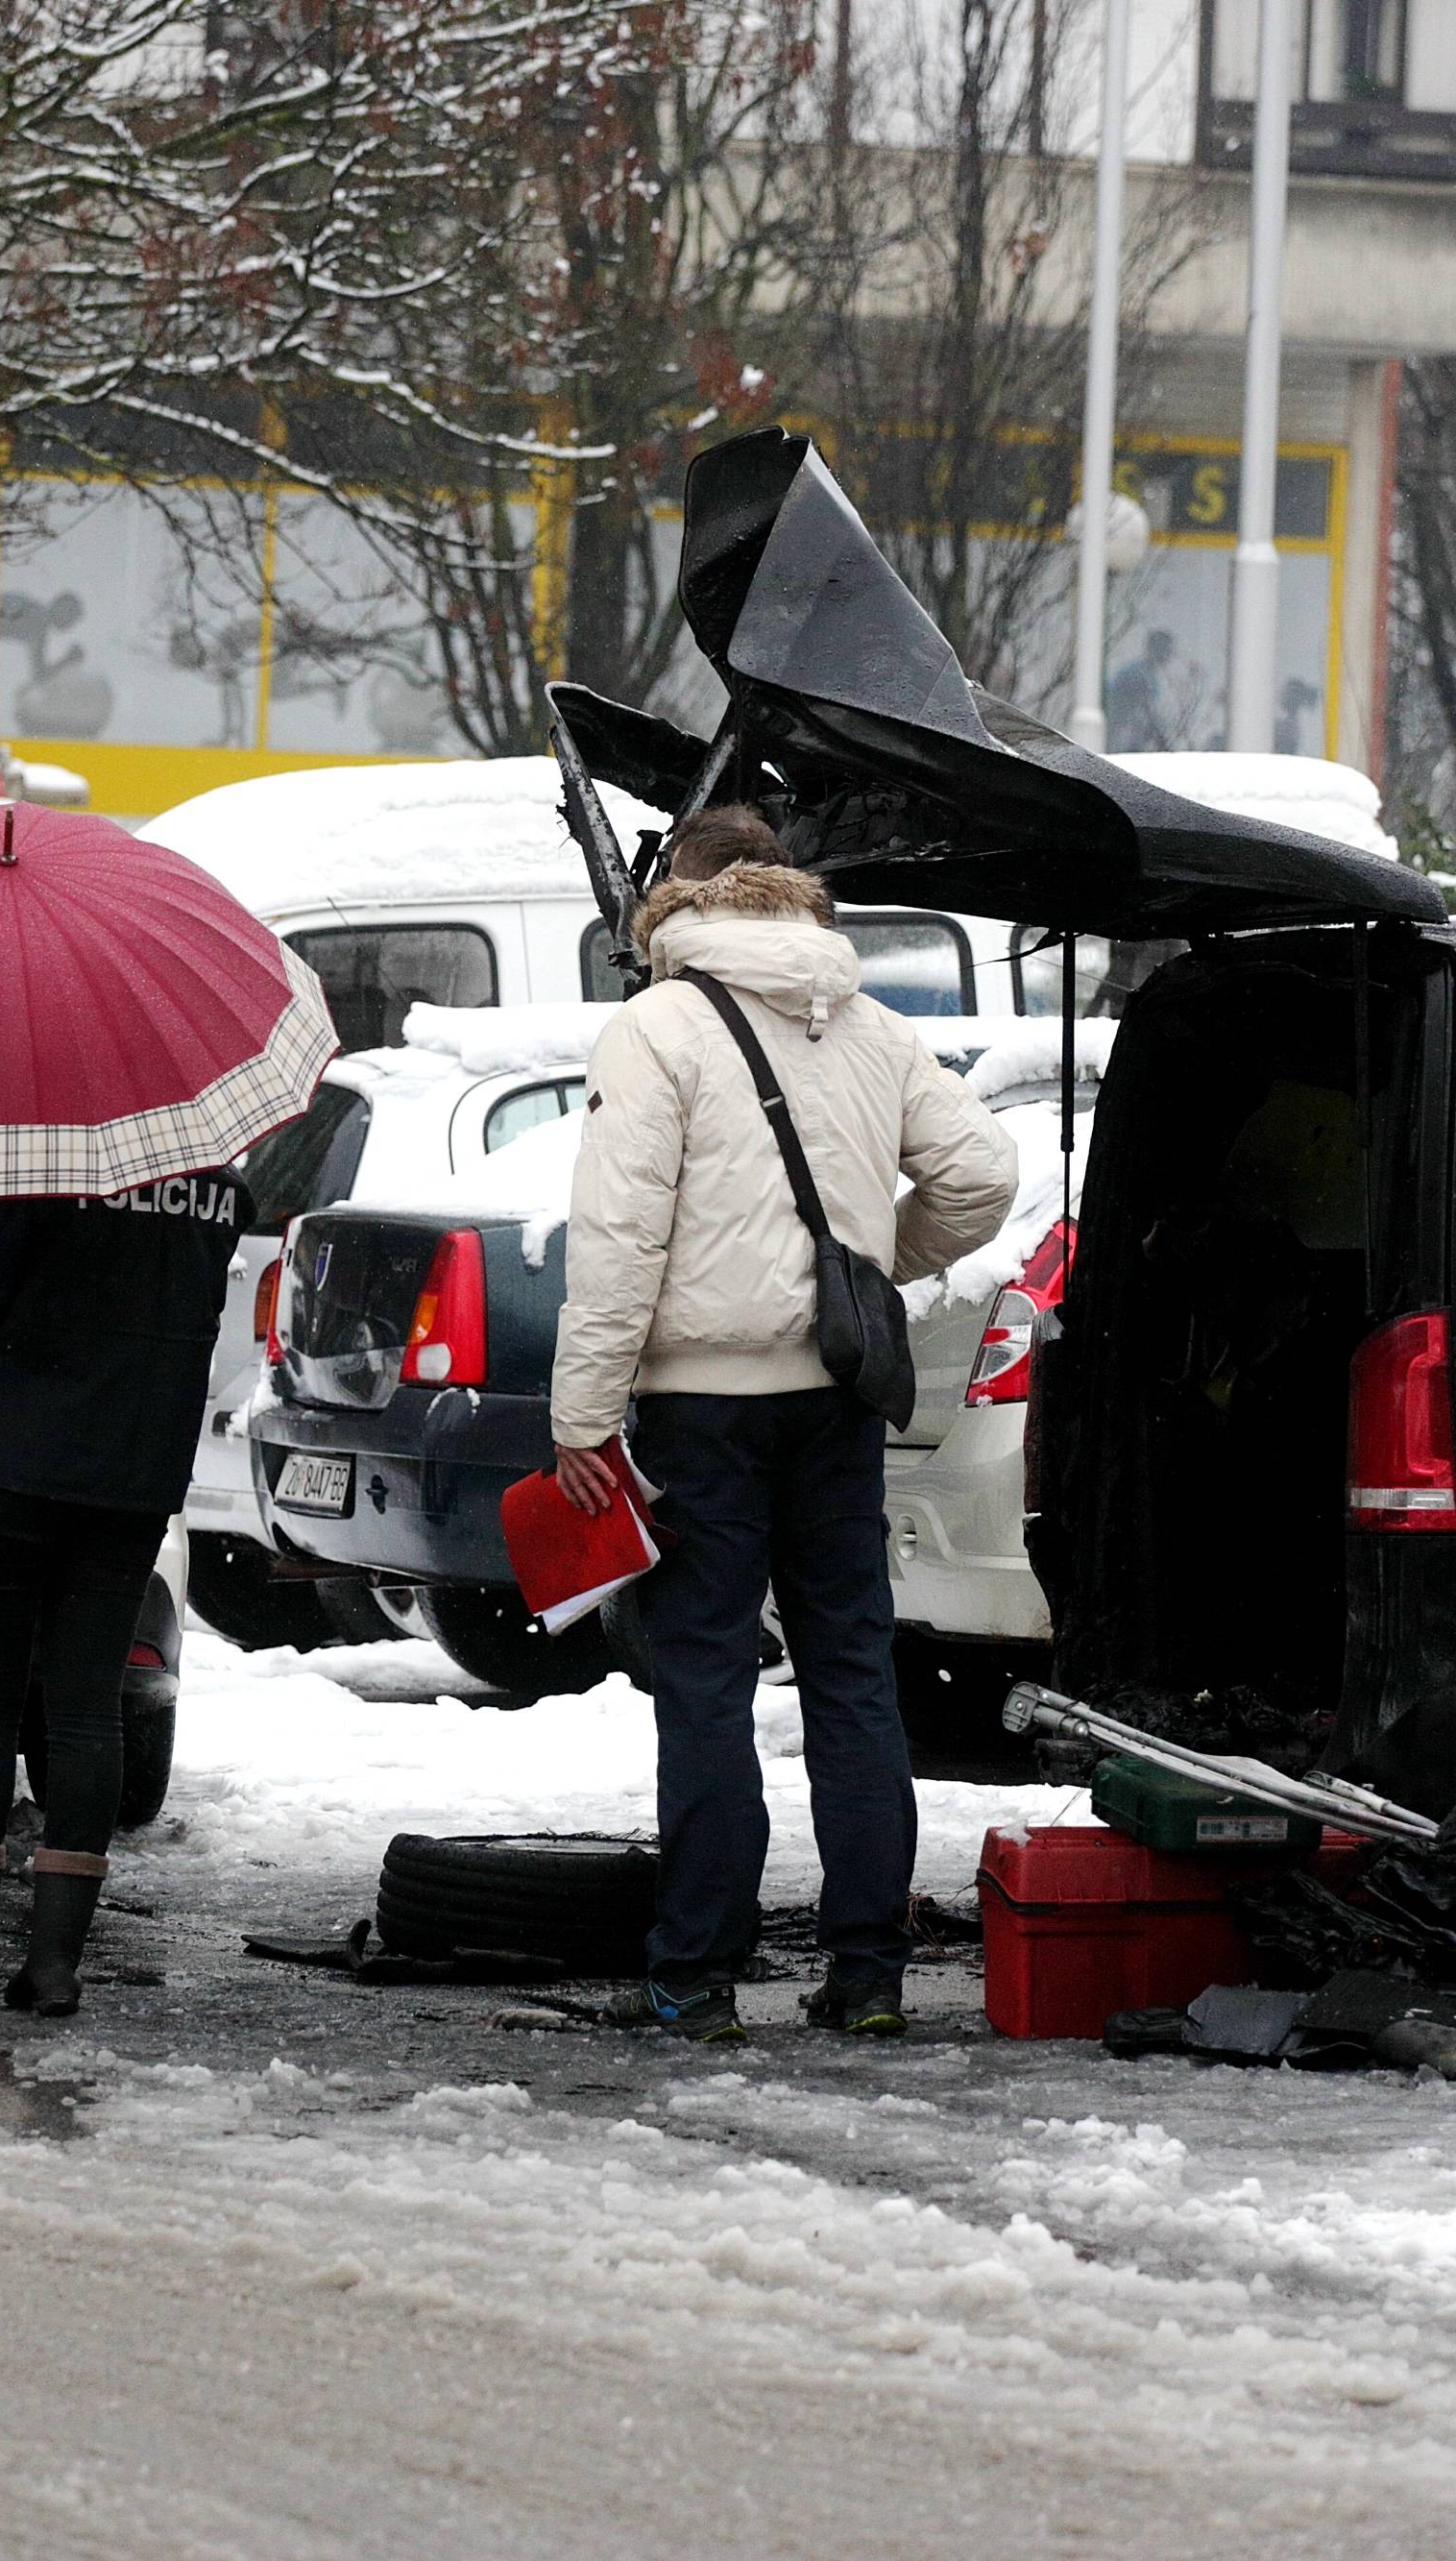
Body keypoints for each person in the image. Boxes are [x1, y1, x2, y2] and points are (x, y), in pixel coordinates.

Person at [548, 809, 1017, 2044]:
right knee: (854, 1675)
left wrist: (582, 1416)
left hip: (701, 1405)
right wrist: (860, 1268)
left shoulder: (657, 1028)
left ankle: (697, 1972)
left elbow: (620, 1240)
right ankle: (867, 1971)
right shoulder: (869, 1024)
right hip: (838, 1400)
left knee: (703, 1678)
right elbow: (983, 1176)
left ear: (680, 900)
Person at [0, 1167, 250, 2017]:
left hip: (9, 1455)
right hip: (133, 1469)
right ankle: (57, 1964)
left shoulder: (38, 1154)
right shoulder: (216, 1182)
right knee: (86, 1705)